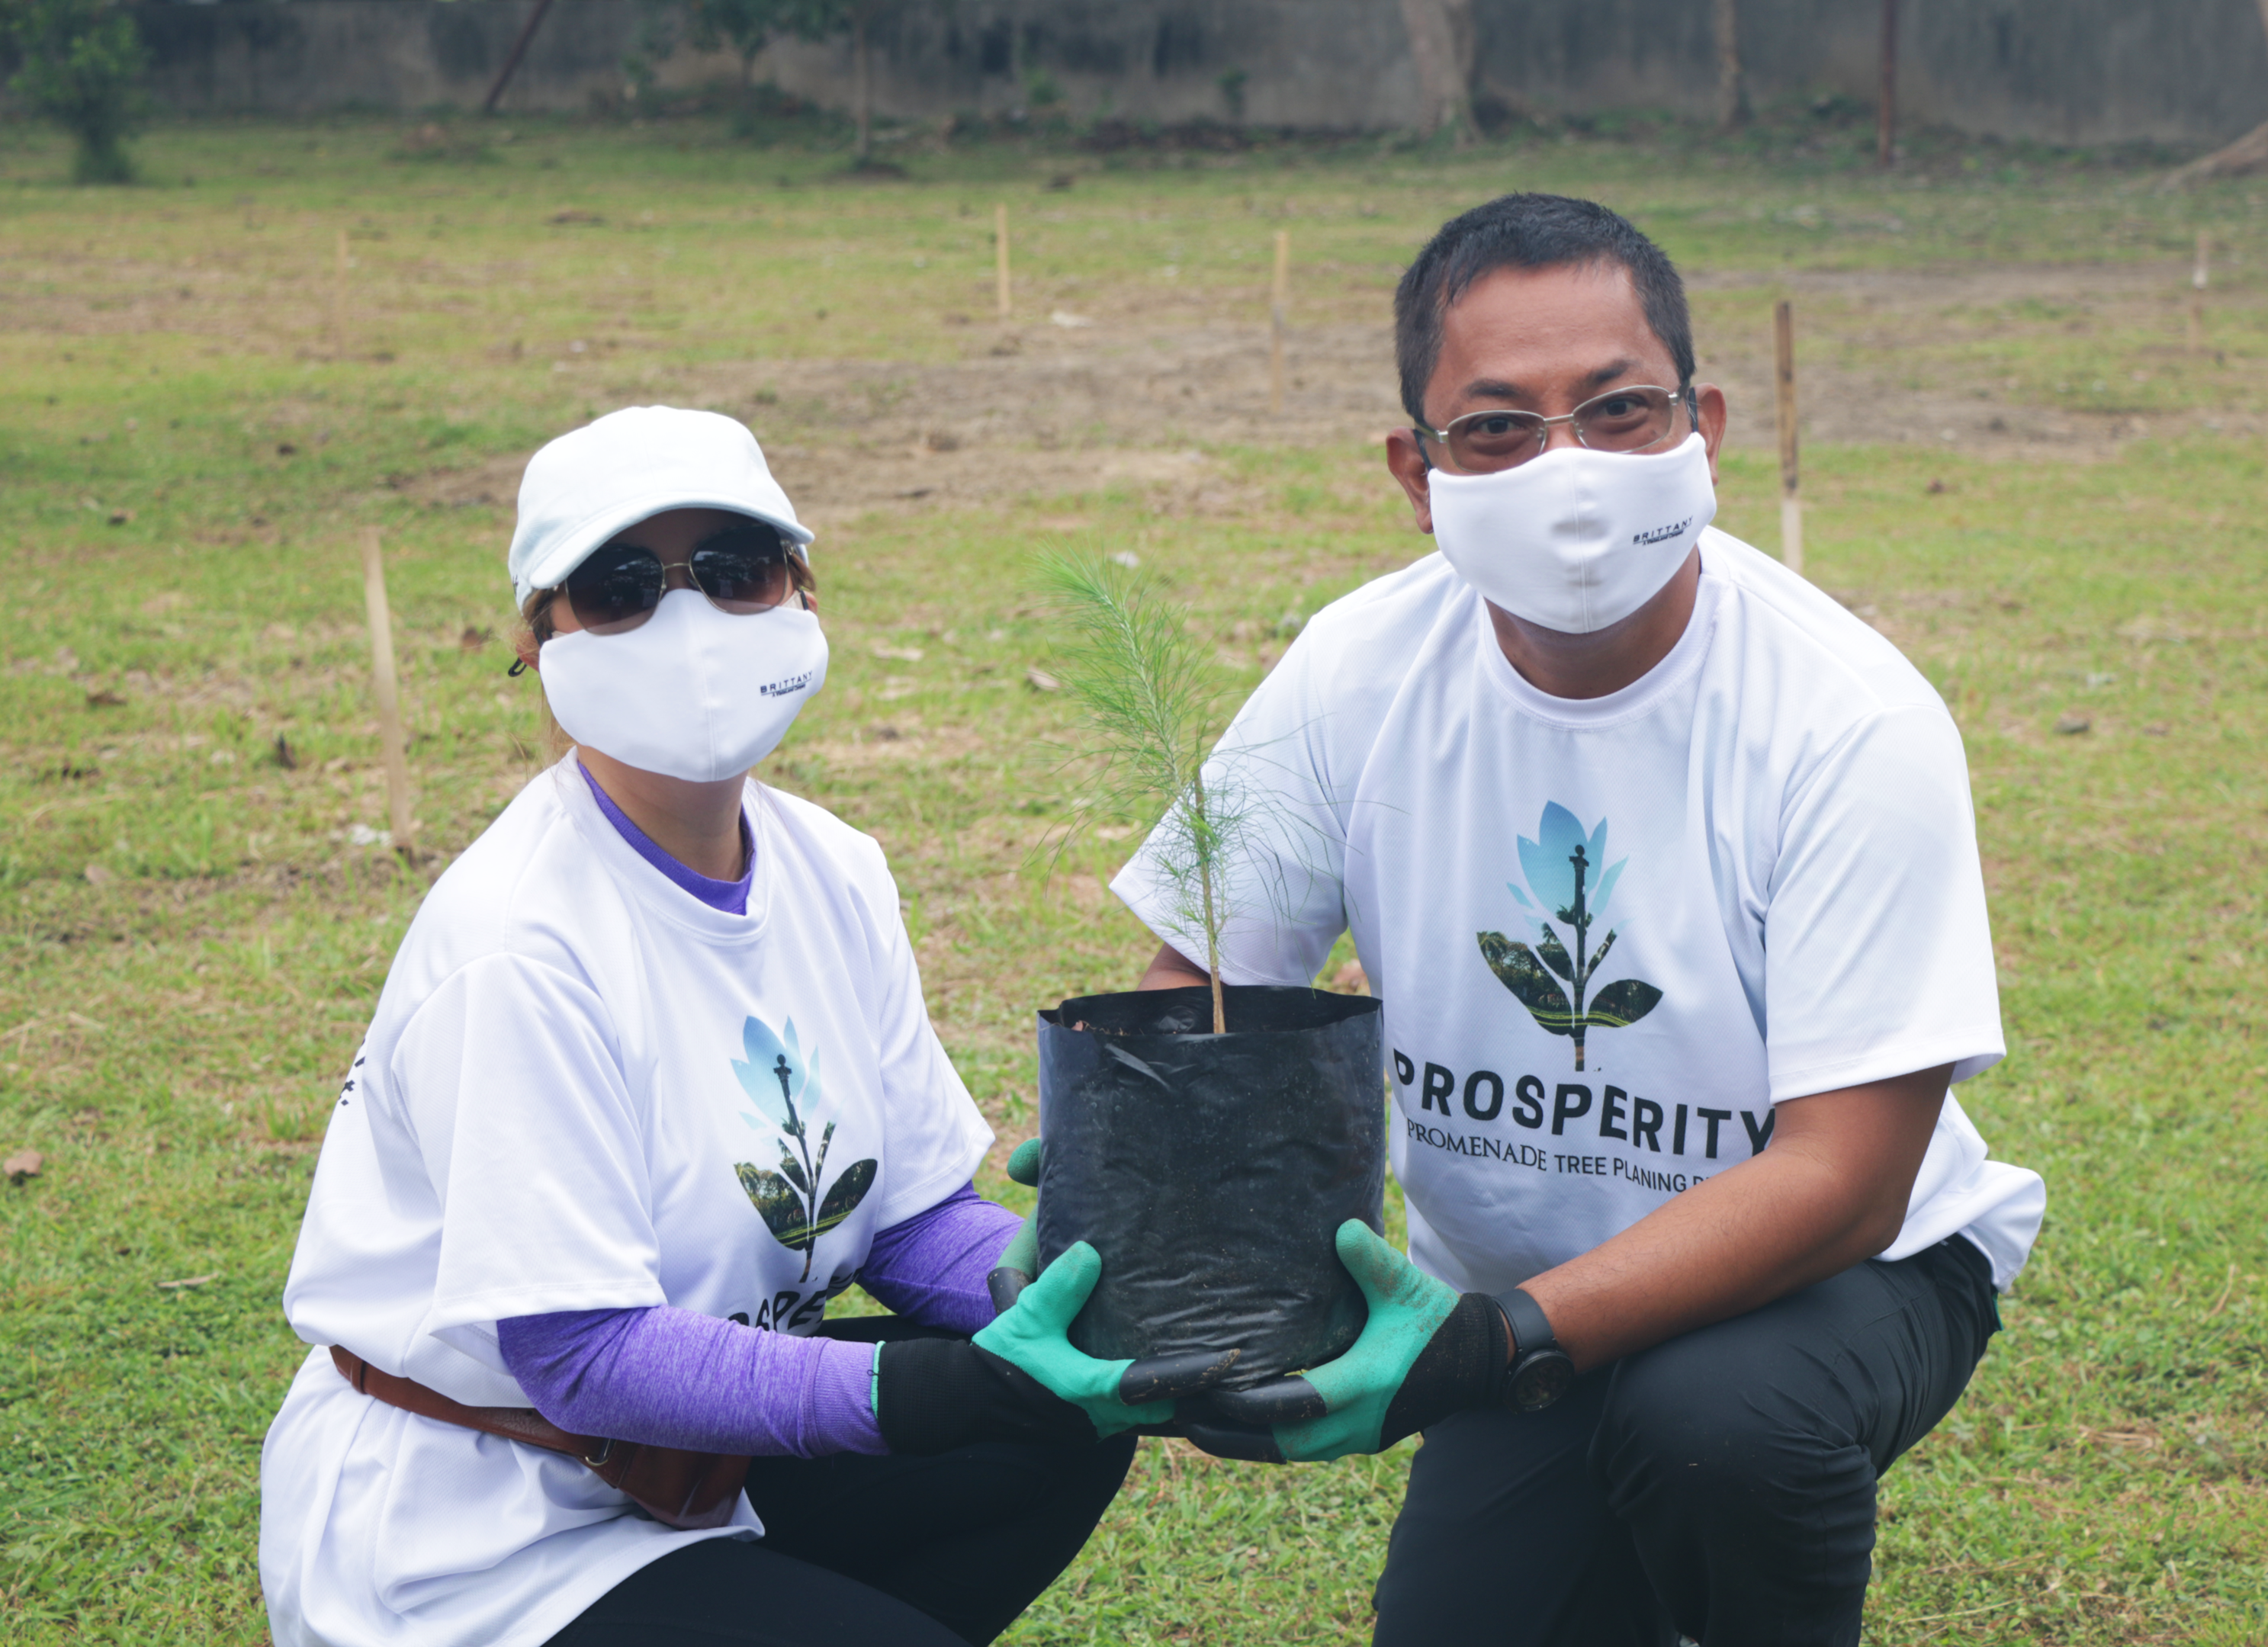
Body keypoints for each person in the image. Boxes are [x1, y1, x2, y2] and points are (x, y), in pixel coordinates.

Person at [1111, 194, 2048, 1645]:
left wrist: (1489, 1350)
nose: (1569, 470)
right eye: (1495, 429)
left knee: (1715, 1425)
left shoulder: (1848, 719)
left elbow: (1851, 1178)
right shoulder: (1356, 668)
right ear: (1416, 476)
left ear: (1705, 426)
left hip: (1847, 1274)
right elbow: (1213, 974)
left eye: (1618, 410)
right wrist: (1153, 1145)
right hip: (1524, 1294)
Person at [259, 406, 1213, 1647]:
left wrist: (1103, 1306)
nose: (688, 623)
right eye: (618, 588)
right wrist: (931, 1386)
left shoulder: (836, 868)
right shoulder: (520, 945)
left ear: (801, 595)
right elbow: (582, 1354)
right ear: (540, 641)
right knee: (985, 1408)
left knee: (1057, 1424)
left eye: (734, 570)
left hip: (697, 1475)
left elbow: (914, 1216)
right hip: (480, 1536)